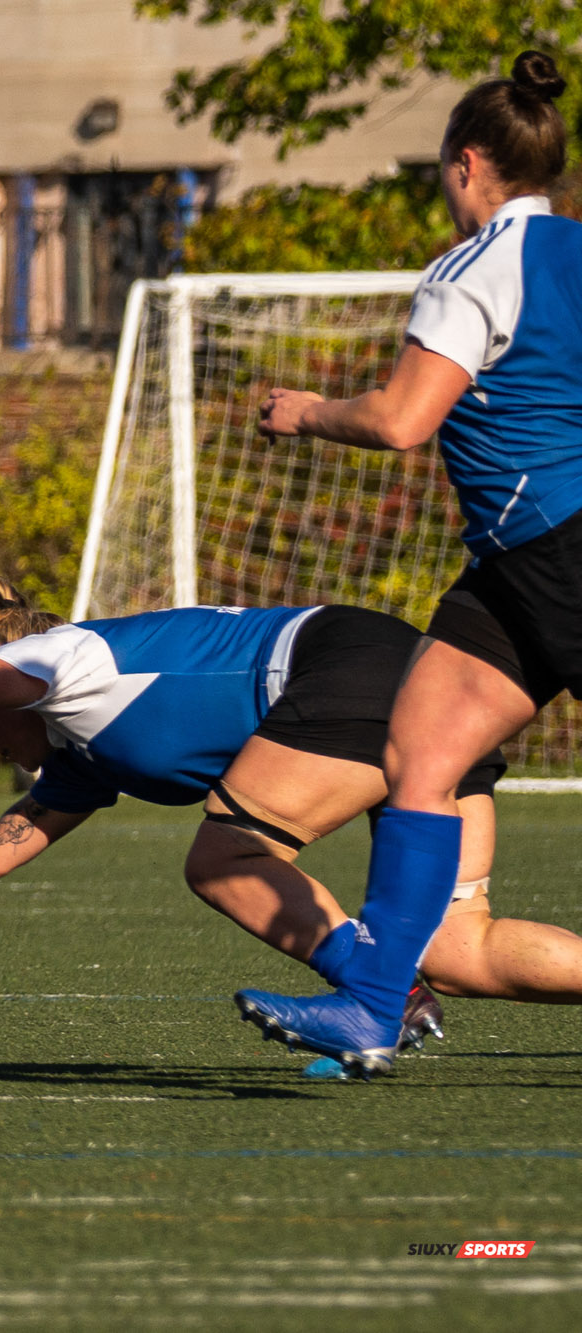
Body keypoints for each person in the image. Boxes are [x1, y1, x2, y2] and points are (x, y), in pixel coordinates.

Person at [0, 574, 582, 1072]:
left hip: (347, 671)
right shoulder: (80, 754)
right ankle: (394, 983)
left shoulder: (63, 661)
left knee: (224, 855)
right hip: (411, 684)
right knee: (458, 946)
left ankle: (377, 995)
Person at [238, 50, 582, 1073]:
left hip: (557, 549)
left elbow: (398, 422)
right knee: (419, 757)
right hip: (510, 568)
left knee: (421, 761)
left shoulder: (472, 266)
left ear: (464, 163)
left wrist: (302, 411)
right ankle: (372, 1005)